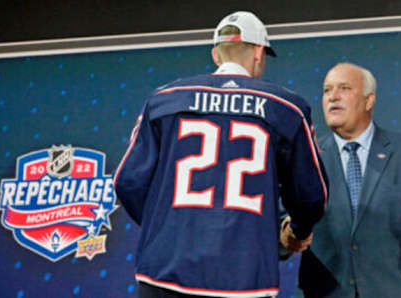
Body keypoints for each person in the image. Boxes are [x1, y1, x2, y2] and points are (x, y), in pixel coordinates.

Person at [114, 11, 328, 298]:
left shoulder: (165, 100)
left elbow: (127, 181)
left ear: (216, 55)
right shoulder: (285, 108)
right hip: (245, 277)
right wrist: (297, 231)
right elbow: (311, 195)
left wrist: (166, 225)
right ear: (258, 52)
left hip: (165, 272)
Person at [281, 63, 401, 298]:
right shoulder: (308, 156)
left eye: (344, 88)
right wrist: (286, 233)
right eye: (326, 90)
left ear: (369, 100)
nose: (333, 96)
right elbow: (280, 230)